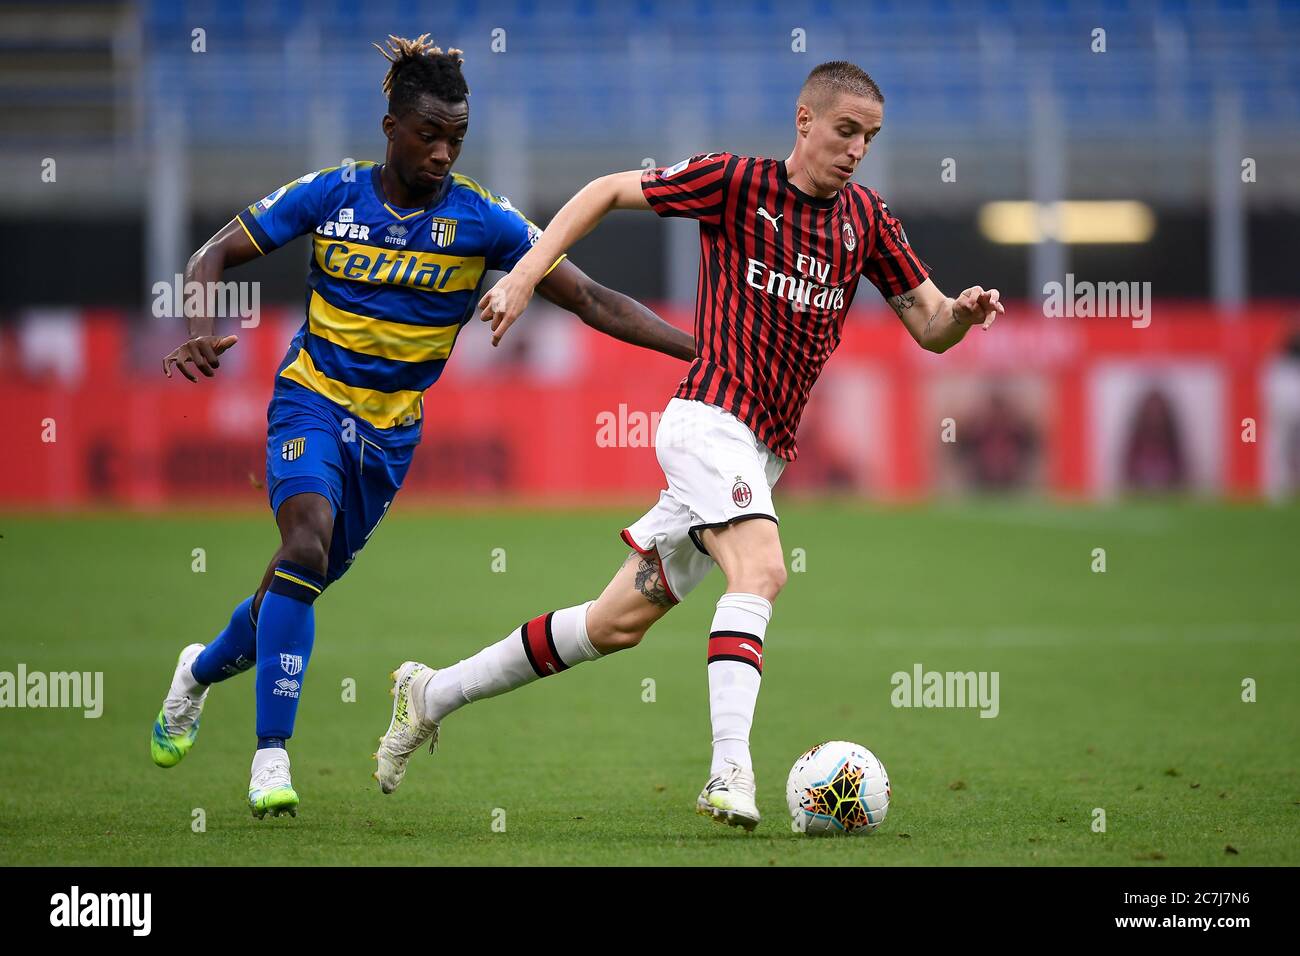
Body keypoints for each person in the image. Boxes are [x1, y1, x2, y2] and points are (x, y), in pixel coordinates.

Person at [375, 60, 1003, 832]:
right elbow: (606, 190)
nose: (856, 151)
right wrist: (525, 274)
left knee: (613, 625)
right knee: (763, 570)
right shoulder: (734, 184)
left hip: (757, 452)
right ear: (804, 122)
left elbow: (930, 323)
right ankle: (728, 771)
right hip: (707, 423)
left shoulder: (865, 220)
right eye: (845, 131)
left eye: (869, 138)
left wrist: (964, 314)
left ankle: (430, 693)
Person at [149, 35, 695, 819]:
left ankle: (198, 672)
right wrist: (198, 326)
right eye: (429, 135)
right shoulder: (332, 195)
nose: (443, 153)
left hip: (390, 436)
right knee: (303, 544)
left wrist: (702, 349)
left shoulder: (483, 220)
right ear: (390, 126)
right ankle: (271, 757)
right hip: (311, 398)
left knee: (293, 583)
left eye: (457, 139)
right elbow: (209, 257)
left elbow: (592, 298)